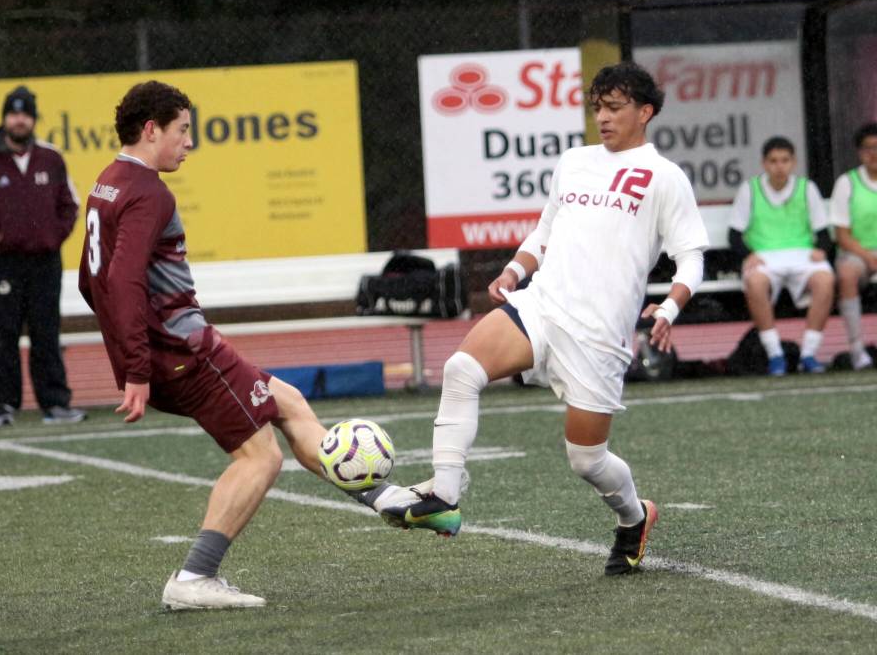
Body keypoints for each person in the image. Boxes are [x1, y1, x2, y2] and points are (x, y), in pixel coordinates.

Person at [78, 80, 411, 610]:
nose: (189, 143)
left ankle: (387, 498)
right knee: (260, 459)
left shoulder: (109, 182)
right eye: (183, 131)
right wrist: (141, 365)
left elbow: (88, 281)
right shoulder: (148, 192)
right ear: (151, 130)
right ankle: (193, 578)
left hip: (175, 346)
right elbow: (119, 282)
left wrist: (130, 353)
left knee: (289, 402)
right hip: (182, 352)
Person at [381, 62, 709, 576]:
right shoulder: (575, 161)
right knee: (461, 369)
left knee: (586, 460)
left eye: (615, 107)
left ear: (645, 113)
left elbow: (691, 255)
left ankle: (634, 516)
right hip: (542, 304)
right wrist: (515, 270)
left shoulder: (665, 177)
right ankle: (444, 491)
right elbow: (545, 232)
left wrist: (669, 306)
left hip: (599, 336)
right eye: (598, 106)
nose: (603, 116)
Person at [0, 86, 87, 428]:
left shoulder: (51, 158)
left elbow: (70, 205)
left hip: (45, 261)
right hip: (2, 262)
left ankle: (55, 404)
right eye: (14, 114)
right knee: (4, 333)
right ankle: (4, 405)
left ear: (33, 119)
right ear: (4, 118)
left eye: (26, 114)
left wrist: (52, 236)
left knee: (47, 332)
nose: (19, 120)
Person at [727, 137, 835, 375]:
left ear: (794, 162)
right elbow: (734, 234)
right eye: (773, 161)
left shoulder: (807, 188)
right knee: (755, 281)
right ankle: (775, 353)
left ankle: (808, 353)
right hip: (765, 257)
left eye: (785, 160)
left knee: (825, 280)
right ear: (764, 163)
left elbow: (822, 233)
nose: (779, 166)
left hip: (802, 255)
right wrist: (749, 255)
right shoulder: (750, 189)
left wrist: (821, 250)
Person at [831, 122, 877, 370]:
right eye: (868, 148)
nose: (874, 154)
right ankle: (858, 352)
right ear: (860, 153)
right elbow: (841, 235)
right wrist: (867, 256)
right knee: (847, 273)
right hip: (857, 254)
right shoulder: (847, 183)